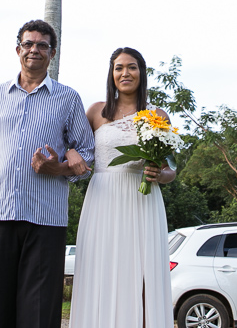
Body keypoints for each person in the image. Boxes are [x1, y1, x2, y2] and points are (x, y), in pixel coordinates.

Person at [0, 19, 96, 328]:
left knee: (40, 312)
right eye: (28, 44)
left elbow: (87, 156)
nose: (34, 50)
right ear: (18, 49)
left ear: (53, 54)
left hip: (46, 220)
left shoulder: (68, 99)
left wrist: (58, 168)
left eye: (42, 45)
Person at [68, 47, 176, 328]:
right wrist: (70, 153)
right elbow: (73, 147)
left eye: (132, 67)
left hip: (143, 202)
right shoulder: (96, 111)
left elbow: (171, 169)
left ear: (142, 72)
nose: (125, 73)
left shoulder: (157, 115)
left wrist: (160, 174)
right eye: (118, 67)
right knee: (101, 273)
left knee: (142, 276)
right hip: (103, 202)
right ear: (111, 73)